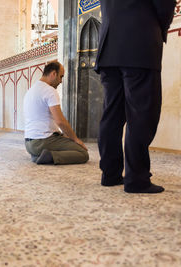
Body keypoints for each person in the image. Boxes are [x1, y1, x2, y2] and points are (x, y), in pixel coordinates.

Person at [95, 0, 176, 193]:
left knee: (111, 115)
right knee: (141, 115)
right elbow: (164, 6)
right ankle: (136, 179)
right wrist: (159, 28)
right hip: (140, 44)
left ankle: (110, 174)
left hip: (108, 48)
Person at [23, 61, 89, 165]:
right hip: (43, 141)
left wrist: (62, 136)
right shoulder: (49, 90)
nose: (61, 81)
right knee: (82, 153)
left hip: (29, 144)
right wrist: (76, 139)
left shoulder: (31, 90)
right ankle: (50, 156)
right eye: (61, 77)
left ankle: (38, 156)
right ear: (53, 74)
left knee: (64, 140)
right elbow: (60, 121)